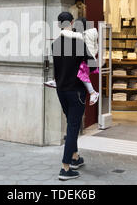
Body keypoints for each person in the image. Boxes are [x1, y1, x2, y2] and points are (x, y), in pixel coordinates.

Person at [52, 12, 97, 181]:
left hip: (61, 90)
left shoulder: (55, 44)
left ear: (58, 24)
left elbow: (57, 70)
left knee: (72, 123)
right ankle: (65, 168)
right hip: (76, 91)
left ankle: (75, 157)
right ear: (71, 23)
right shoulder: (78, 43)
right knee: (72, 127)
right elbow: (92, 65)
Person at [44, 18, 100, 105]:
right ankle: (55, 80)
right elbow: (96, 47)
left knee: (81, 73)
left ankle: (93, 92)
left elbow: (88, 50)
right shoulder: (88, 34)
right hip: (87, 57)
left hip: (86, 59)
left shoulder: (83, 36)